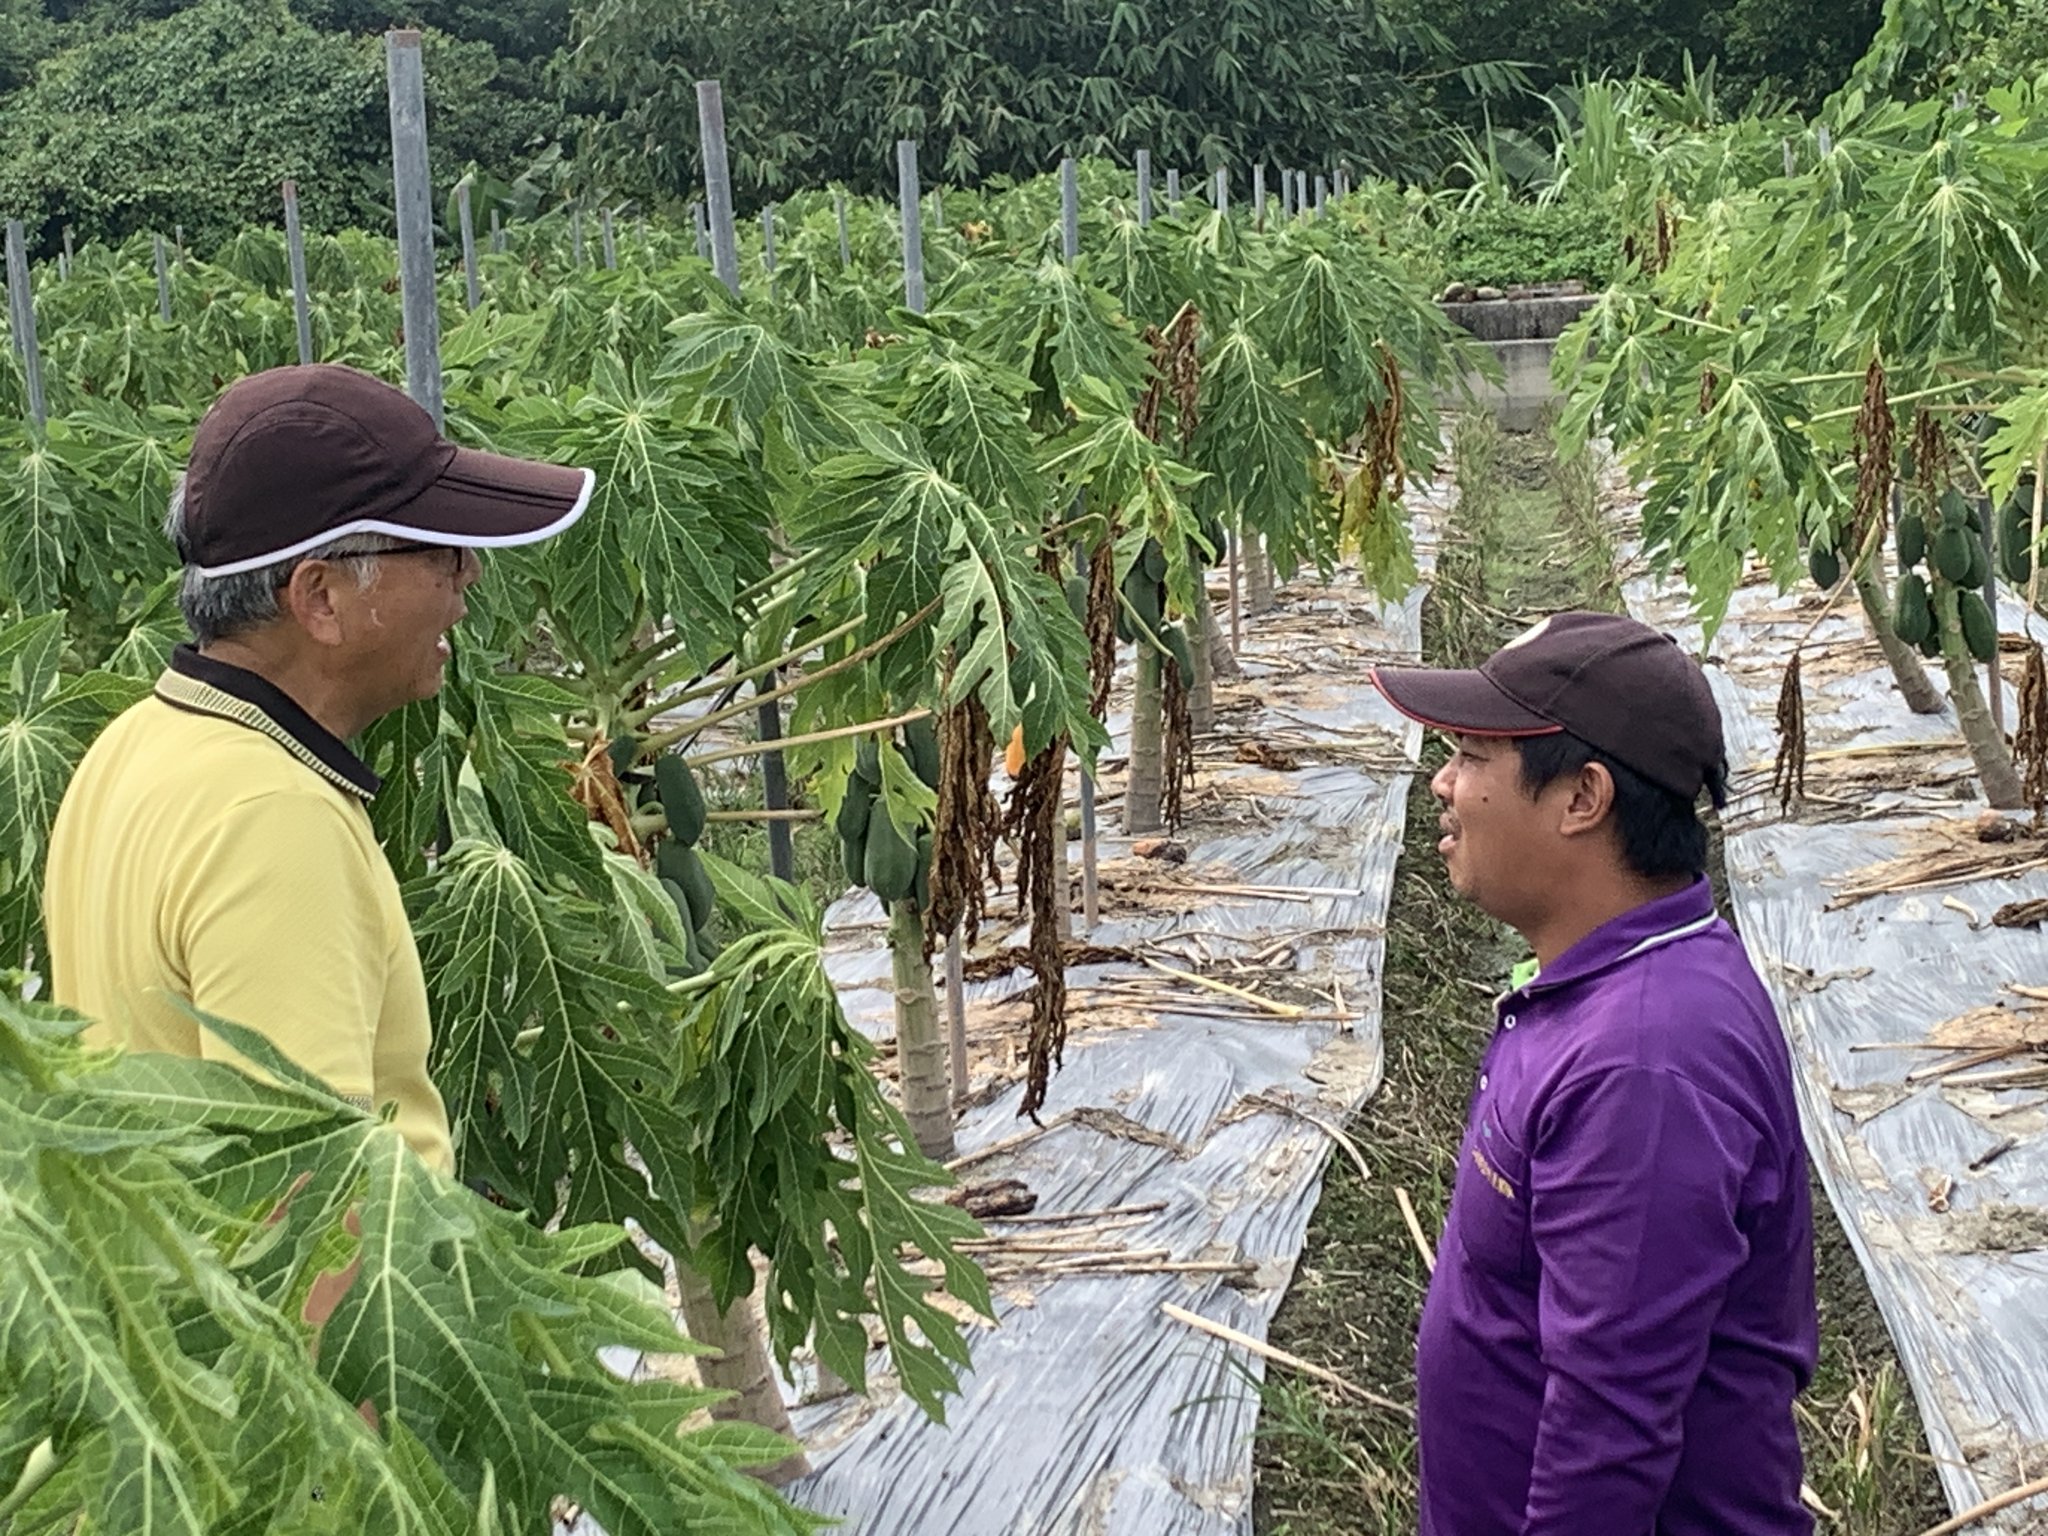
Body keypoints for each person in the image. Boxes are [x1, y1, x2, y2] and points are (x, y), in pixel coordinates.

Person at [43, 363, 594, 1174]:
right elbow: (310, 1207)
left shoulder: (132, 745)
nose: (468, 575)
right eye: (439, 552)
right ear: (321, 598)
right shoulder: (274, 821)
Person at [1370, 612, 1818, 1536]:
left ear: (1582, 797)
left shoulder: (1644, 1068)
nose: (1442, 784)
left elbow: (1608, 1439)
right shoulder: (1613, 988)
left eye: (1471, 756)